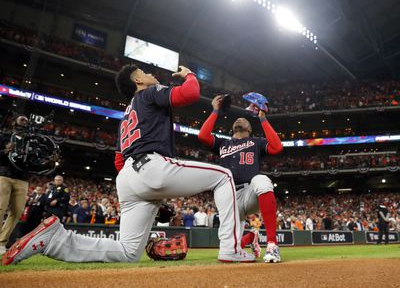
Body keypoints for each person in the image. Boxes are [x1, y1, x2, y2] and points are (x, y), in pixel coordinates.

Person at [3, 65, 253, 265]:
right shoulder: (147, 93)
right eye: (144, 73)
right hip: (150, 167)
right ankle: (231, 248)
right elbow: (190, 93)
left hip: (129, 178)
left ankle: (55, 240)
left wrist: (150, 188)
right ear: (138, 82)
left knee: (129, 251)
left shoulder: (127, 115)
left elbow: (118, 159)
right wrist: (189, 74)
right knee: (224, 175)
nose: (151, 74)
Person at [198, 95, 283, 263]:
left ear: (249, 128)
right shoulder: (223, 143)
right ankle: (251, 237)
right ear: (232, 128)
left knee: (262, 180)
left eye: (243, 119)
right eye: (237, 119)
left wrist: (263, 119)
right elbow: (202, 136)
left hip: (250, 192)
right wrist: (215, 110)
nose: (239, 120)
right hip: (228, 199)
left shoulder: (256, 141)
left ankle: (272, 244)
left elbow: (277, 147)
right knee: (228, 253)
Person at [0, 115, 29, 255]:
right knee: (0, 208)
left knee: (17, 211)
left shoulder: (30, 141)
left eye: (26, 120)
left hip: (22, 178)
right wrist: (5, 151)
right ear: (14, 123)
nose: (25, 121)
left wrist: (48, 161)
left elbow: (35, 162)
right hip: (4, 175)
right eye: (22, 119)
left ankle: (1, 243)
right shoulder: (4, 136)